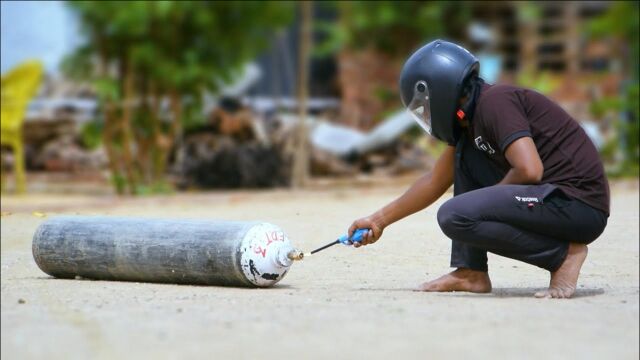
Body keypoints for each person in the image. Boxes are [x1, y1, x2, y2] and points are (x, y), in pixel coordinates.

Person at [347, 40, 610, 299]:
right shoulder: (470, 123)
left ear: (440, 91)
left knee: (456, 214)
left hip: (578, 204)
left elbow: (529, 169)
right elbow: (434, 181)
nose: (427, 115)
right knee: (465, 158)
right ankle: (471, 272)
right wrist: (378, 220)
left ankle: (563, 256)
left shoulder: (496, 102)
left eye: (424, 106)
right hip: (554, 201)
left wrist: (487, 203)